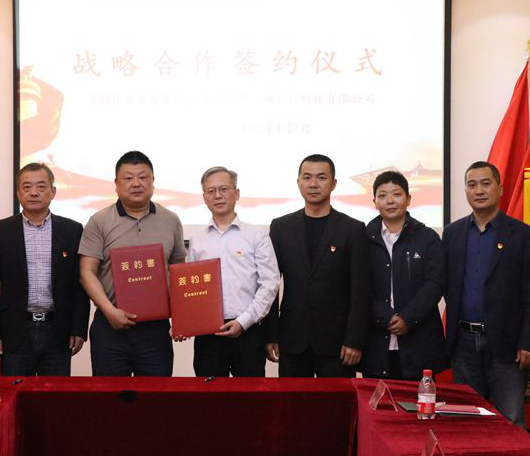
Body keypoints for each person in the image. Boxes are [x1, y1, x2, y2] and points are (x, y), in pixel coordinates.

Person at [443, 161, 530, 427]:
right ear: (465, 191)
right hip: (463, 342)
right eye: (472, 185)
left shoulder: (523, 236)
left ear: (500, 188)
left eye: (486, 184)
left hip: (507, 344)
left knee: (510, 420)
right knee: (466, 419)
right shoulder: (452, 234)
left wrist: (529, 342)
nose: (479, 190)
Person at [79, 151, 187, 376]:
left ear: (153, 181)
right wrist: (110, 311)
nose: (136, 183)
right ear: (116, 184)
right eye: (128, 178)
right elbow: (87, 272)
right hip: (110, 325)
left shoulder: (171, 220)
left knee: (155, 395)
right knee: (111, 395)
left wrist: (182, 316)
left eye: (143, 177)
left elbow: (177, 269)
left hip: (155, 329)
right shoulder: (99, 221)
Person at [263, 154, 370, 377]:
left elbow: (361, 290)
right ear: (298, 182)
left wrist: (355, 339)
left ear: (334, 183)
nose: (313, 184)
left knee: (337, 401)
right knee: (292, 400)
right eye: (307, 177)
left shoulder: (352, 229)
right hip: (292, 338)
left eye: (321, 178)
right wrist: (271, 334)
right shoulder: (281, 227)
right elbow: (270, 284)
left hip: (338, 343)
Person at [0, 162, 89, 376]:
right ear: (18, 193)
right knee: (16, 393)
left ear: (53, 192)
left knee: (55, 394)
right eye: (27, 187)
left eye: (41, 187)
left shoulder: (72, 230)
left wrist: (78, 329)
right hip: (15, 331)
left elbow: (79, 285)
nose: (33, 193)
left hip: (57, 330)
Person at [186, 166, 279, 377]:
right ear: (204, 197)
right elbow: (190, 288)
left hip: (248, 332)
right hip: (208, 334)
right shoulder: (197, 240)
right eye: (211, 191)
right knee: (208, 395)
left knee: (249, 396)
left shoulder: (257, 236)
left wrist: (243, 321)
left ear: (236, 193)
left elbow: (270, 284)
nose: (218, 196)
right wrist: (185, 323)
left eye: (224, 189)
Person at [361, 170, 448, 380]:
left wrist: (407, 318)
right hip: (376, 341)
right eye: (382, 195)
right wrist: (386, 317)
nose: (390, 201)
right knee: (378, 401)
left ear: (408, 199)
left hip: (420, 342)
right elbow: (359, 287)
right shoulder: (363, 238)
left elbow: (435, 284)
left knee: (419, 400)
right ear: (374, 202)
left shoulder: (427, 237)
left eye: (397, 194)